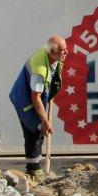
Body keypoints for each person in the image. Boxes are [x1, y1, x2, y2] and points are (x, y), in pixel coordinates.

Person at [8, 35, 67, 175]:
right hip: (24, 99)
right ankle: (33, 170)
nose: (66, 53)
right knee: (34, 130)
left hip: (35, 95)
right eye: (62, 51)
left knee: (39, 129)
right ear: (52, 53)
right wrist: (45, 121)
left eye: (66, 49)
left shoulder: (51, 54)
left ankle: (36, 167)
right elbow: (36, 97)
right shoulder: (39, 71)